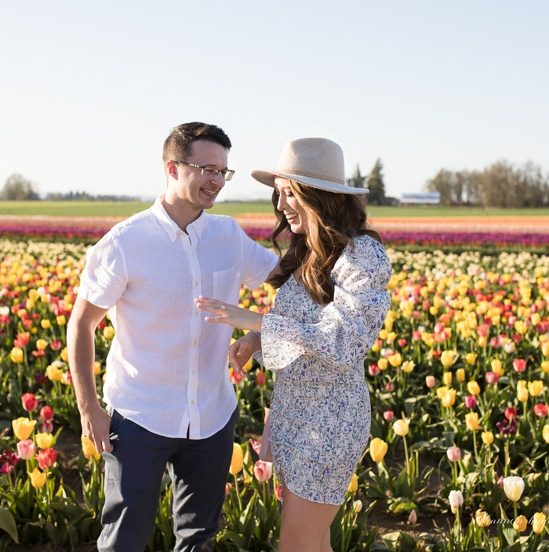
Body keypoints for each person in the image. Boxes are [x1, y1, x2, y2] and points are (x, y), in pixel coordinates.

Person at [68, 122, 280, 552]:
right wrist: (89, 408)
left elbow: (289, 284)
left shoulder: (228, 237)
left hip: (212, 415)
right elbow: (81, 324)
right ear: (172, 167)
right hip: (139, 416)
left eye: (223, 171)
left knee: (199, 539)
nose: (217, 180)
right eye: (206, 168)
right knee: (124, 539)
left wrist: (258, 336)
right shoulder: (125, 243)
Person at [195, 137, 390, 552]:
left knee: (296, 546)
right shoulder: (308, 251)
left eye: (290, 193)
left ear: (321, 197)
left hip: (329, 425)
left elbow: (344, 340)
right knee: (315, 544)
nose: (281, 205)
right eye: (279, 193)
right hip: (294, 415)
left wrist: (255, 321)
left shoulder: (362, 256)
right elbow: (302, 326)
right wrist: (254, 338)